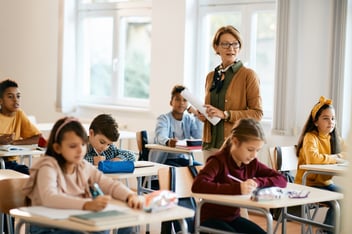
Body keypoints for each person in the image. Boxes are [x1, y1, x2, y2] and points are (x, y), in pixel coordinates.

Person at [22, 116, 142, 234]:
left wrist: (130, 195)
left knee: (124, 221)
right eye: (73, 146)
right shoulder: (47, 167)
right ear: (57, 148)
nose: (80, 151)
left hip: (74, 219)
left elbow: (108, 184)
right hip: (48, 226)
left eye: (83, 145)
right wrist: (87, 205)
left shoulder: (82, 166)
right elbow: (50, 198)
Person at [192, 118, 287, 234]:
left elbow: (281, 179)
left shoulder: (252, 163)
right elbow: (198, 185)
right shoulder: (218, 161)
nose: (254, 155)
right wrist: (238, 188)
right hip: (208, 219)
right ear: (235, 141)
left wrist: (257, 182)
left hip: (232, 218)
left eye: (258, 150)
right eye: (250, 149)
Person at [200, 25, 263, 162]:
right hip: (210, 145)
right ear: (216, 47)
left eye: (235, 44)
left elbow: (257, 114)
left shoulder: (248, 75)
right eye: (225, 44)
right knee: (208, 183)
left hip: (234, 146)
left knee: (231, 183)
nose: (231, 48)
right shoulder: (210, 76)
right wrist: (204, 114)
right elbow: (212, 111)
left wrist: (225, 114)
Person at [294, 96, 346, 233]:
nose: (331, 122)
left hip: (325, 184)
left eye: (333, 118)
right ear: (316, 121)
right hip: (307, 185)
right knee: (341, 201)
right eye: (326, 118)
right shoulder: (310, 137)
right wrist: (337, 157)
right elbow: (313, 159)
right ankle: (325, 232)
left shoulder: (335, 138)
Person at [149, 84, 203, 167]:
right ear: (171, 102)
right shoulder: (163, 119)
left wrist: (197, 115)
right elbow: (160, 136)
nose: (181, 103)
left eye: (185, 100)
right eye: (177, 99)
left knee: (201, 169)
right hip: (166, 160)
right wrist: (168, 141)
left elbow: (198, 136)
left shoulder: (189, 119)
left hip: (184, 159)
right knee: (182, 172)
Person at [0, 78, 41, 174]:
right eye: (10, 97)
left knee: (34, 176)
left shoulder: (19, 114)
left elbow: (38, 138)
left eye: (18, 96)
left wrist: (14, 142)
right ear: (1, 101)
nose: (16, 100)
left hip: (11, 164)